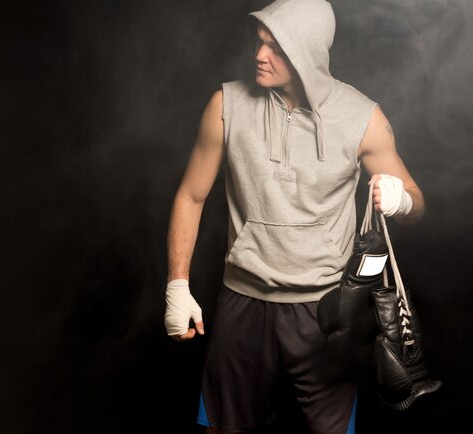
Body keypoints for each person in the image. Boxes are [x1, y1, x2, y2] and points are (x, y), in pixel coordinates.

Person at [163, 0, 425, 433]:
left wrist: (401, 201)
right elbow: (191, 196)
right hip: (242, 302)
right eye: (260, 41)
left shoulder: (363, 118)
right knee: (221, 429)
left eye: (276, 48)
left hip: (325, 313)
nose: (259, 55)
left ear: (308, 54)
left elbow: (417, 203)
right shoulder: (225, 104)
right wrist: (176, 284)